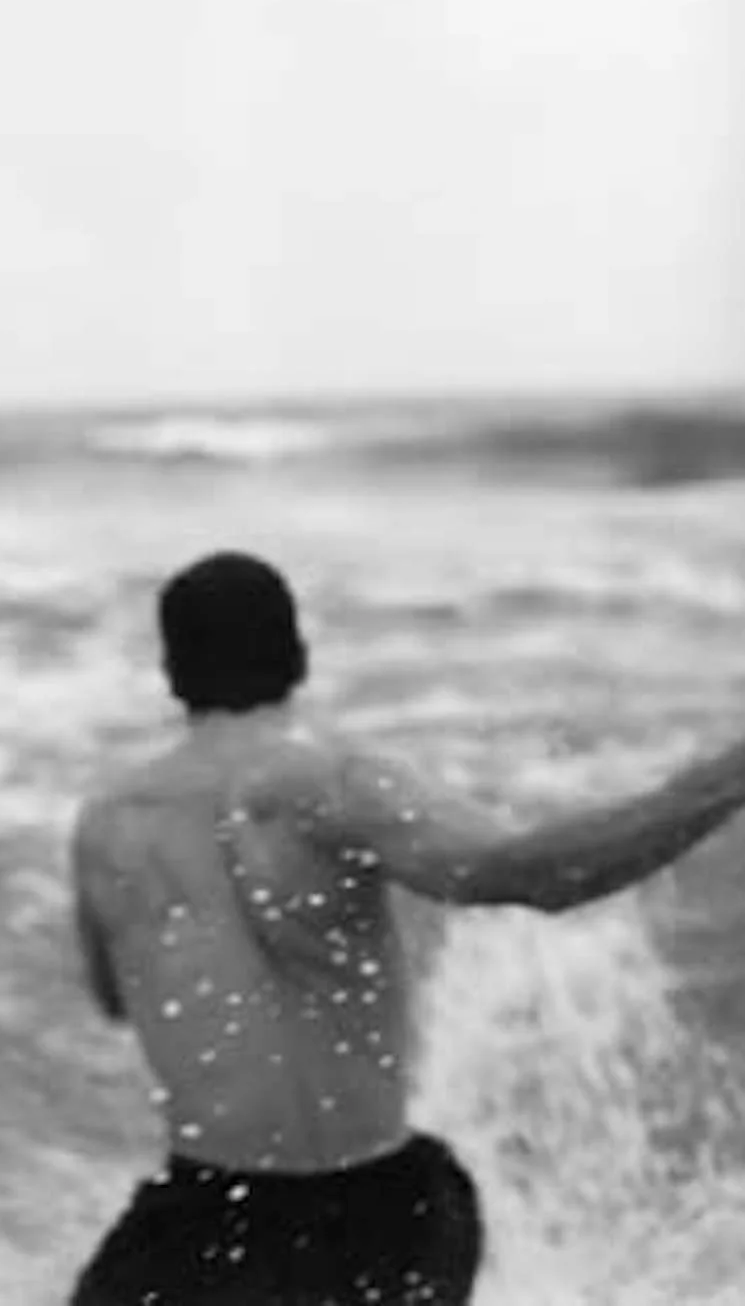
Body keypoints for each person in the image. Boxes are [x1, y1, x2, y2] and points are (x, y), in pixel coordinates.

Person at [68, 551, 744, 1305]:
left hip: (201, 1224)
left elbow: (115, 996)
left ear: (171, 672)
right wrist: (724, 778)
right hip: (377, 1220)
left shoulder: (108, 826)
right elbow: (534, 874)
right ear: (297, 655)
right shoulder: (335, 783)